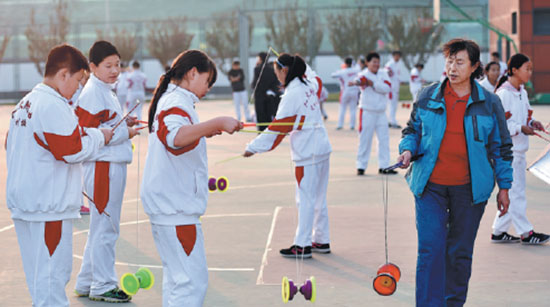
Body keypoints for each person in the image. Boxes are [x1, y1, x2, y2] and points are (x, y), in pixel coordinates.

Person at [398, 39, 513, 306]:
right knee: (431, 249)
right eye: (449, 60)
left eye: (459, 62)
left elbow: (502, 148)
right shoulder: (428, 95)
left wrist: (504, 187)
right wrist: (407, 150)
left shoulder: (490, 103)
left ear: (474, 67)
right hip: (430, 187)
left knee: (459, 253)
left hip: (470, 190)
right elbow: (412, 131)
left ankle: (452, 303)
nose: (452, 67)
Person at [6, 44, 112, 307]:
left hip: (26, 204)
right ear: (63, 74)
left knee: (39, 281)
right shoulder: (52, 104)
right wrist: (100, 136)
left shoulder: (25, 103)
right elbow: (71, 150)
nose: (78, 88)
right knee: (52, 281)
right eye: (77, 81)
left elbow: (12, 143)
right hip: (48, 207)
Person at [141, 50, 242, 306]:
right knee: (190, 283)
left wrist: (204, 131)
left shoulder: (175, 100)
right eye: (208, 81)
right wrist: (215, 123)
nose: (208, 88)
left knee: (179, 282)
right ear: (192, 73)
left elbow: (178, 136)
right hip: (175, 206)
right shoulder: (176, 102)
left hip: (171, 205)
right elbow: (174, 138)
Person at [244, 53, 332, 259]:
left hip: (307, 152)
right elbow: (314, 75)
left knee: (305, 199)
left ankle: (302, 245)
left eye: (277, 72)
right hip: (321, 148)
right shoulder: (310, 85)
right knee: (318, 197)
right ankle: (321, 239)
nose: (277, 77)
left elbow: (277, 128)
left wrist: (252, 147)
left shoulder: (293, 93)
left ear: (285, 71)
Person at [74, 41, 138, 303]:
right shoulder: (93, 93)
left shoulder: (104, 90)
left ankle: (87, 281)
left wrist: (123, 123)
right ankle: (103, 285)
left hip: (108, 165)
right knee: (107, 227)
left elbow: (105, 124)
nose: (115, 70)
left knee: (101, 226)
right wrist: (126, 131)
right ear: (92, 67)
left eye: (118, 64)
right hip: (103, 167)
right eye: (108, 66)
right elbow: (86, 132)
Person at [491, 53, 550, 245]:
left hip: (519, 152)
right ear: (514, 70)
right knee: (516, 194)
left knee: (514, 192)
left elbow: (524, 117)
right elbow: (498, 125)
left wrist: (532, 123)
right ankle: (526, 233)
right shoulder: (503, 94)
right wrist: (520, 128)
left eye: (531, 69)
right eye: (527, 68)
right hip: (508, 154)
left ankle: (499, 232)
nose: (530, 72)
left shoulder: (521, 92)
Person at [351, 52, 395, 176]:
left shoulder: (383, 73)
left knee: (384, 140)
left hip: (381, 112)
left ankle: (384, 166)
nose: (376, 64)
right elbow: (359, 81)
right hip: (367, 111)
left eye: (377, 61)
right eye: (373, 62)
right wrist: (361, 82)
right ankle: (361, 166)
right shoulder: (363, 75)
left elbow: (387, 88)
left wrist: (373, 84)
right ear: (367, 63)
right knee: (365, 139)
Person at [251, 52, 280, 131]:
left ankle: (261, 133)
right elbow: (276, 82)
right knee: (269, 116)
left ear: (260, 59)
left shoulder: (257, 69)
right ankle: (269, 132)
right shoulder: (272, 69)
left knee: (261, 117)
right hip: (270, 96)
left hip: (260, 96)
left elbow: (255, 83)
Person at [331, 57, 360, 130]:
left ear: (345, 63)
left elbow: (333, 75)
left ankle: (340, 125)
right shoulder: (356, 70)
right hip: (355, 90)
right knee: (353, 109)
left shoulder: (342, 71)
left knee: (342, 108)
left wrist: (341, 70)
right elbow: (358, 67)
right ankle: (352, 125)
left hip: (345, 91)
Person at [385, 50, 403, 129]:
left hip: (396, 88)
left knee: (394, 105)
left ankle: (390, 120)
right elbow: (386, 75)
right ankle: (392, 121)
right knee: (391, 105)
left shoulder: (397, 64)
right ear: (393, 56)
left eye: (399, 56)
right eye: (396, 55)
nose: (398, 57)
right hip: (391, 88)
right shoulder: (390, 64)